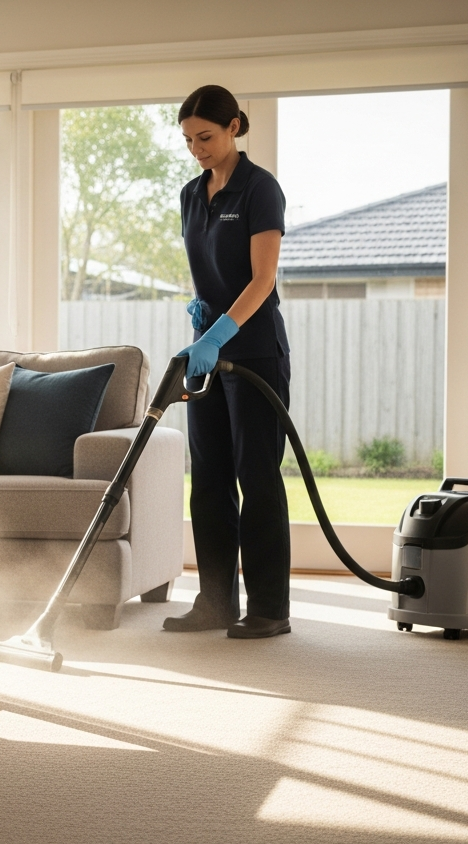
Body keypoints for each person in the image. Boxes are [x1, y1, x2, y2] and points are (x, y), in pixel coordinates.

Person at [164, 84, 292, 639]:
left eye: (206, 137)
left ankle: (269, 608)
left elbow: (262, 279)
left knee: (256, 477)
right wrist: (201, 316)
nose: (198, 149)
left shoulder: (261, 189)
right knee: (210, 479)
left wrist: (218, 333)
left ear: (234, 127)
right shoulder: (192, 194)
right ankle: (215, 602)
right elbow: (208, 269)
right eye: (189, 141)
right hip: (206, 356)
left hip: (255, 353)